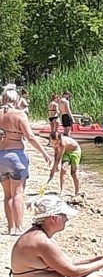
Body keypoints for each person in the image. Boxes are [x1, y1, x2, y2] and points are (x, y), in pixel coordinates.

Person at [1, 88, 52, 234]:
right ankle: (18, 228)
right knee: (18, 193)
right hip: (15, 156)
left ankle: (10, 227)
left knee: (7, 195)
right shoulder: (19, 114)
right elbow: (30, 137)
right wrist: (44, 153)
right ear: (16, 100)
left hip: (0, 157)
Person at [48, 132, 82, 197]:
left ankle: (77, 191)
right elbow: (56, 155)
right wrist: (55, 167)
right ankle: (62, 191)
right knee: (63, 169)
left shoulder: (63, 144)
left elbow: (59, 158)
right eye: (53, 143)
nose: (55, 145)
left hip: (75, 151)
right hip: (66, 152)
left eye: (56, 143)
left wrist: (53, 170)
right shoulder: (53, 143)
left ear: (60, 140)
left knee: (73, 172)